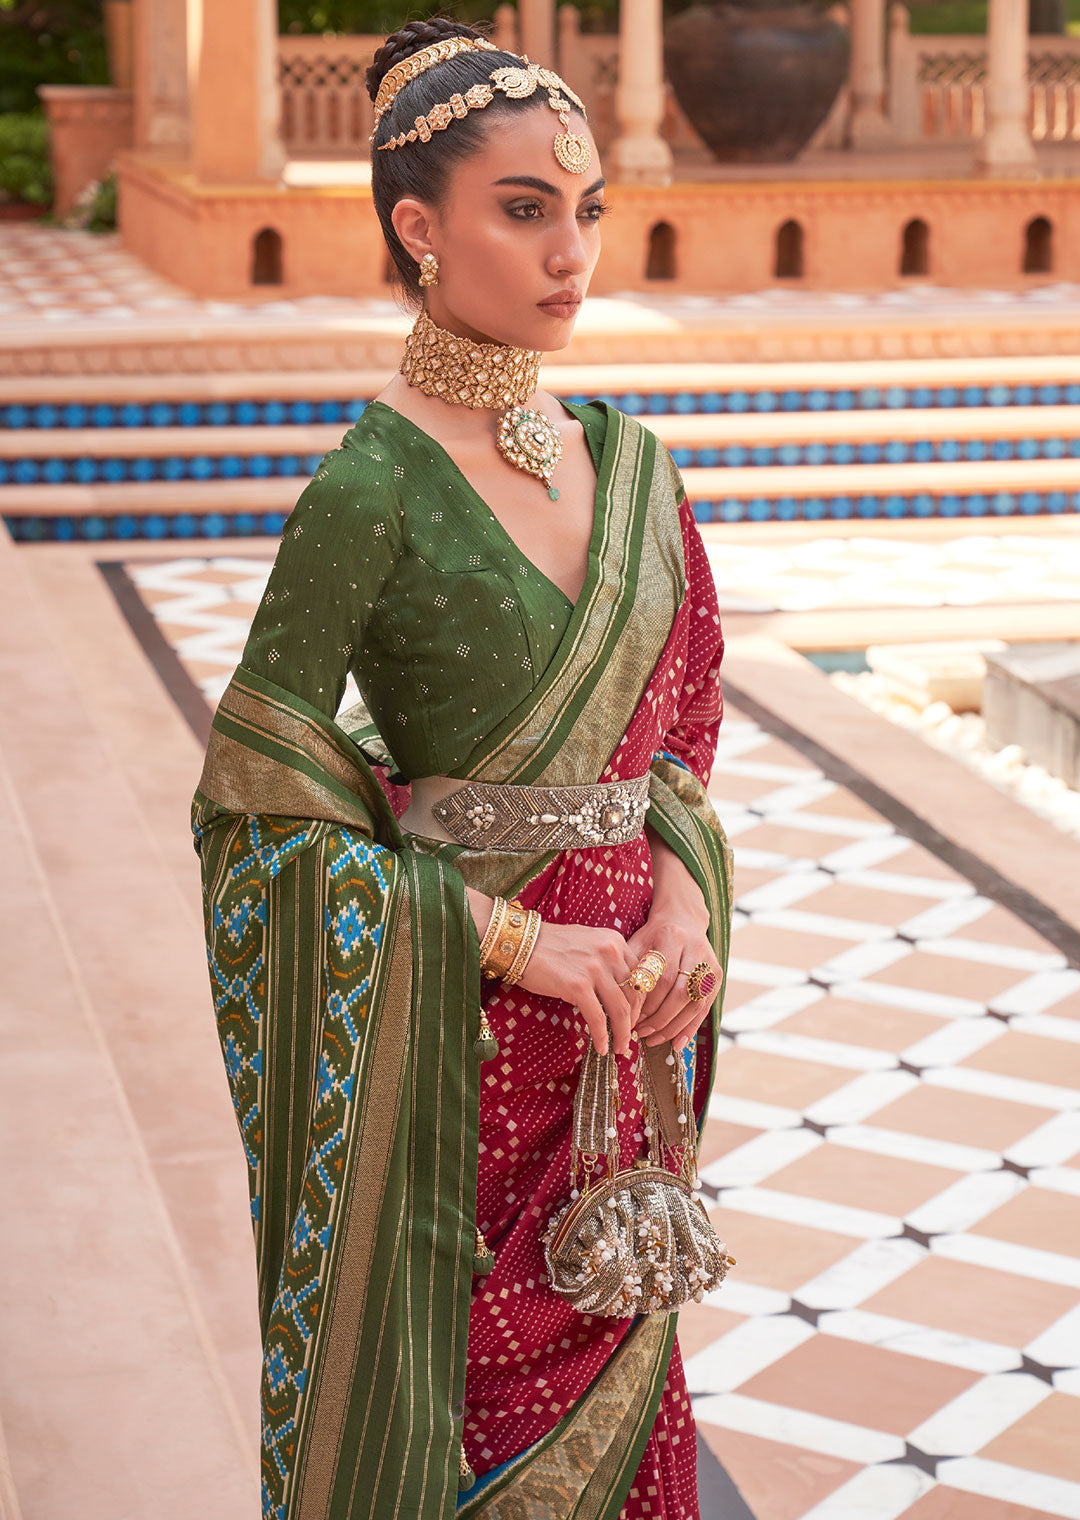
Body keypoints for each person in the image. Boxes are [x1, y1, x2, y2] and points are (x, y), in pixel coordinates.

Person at [190, 15, 732, 1519]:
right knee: (465, 1443)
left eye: (588, 211)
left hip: (630, 1049)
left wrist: (681, 908)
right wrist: (505, 941)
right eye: (525, 209)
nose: (574, 253)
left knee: (635, 1412)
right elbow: (256, 818)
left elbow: (682, 732)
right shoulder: (367, 489)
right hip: (466, 1075)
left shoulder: (636, 471)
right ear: (418, 230)